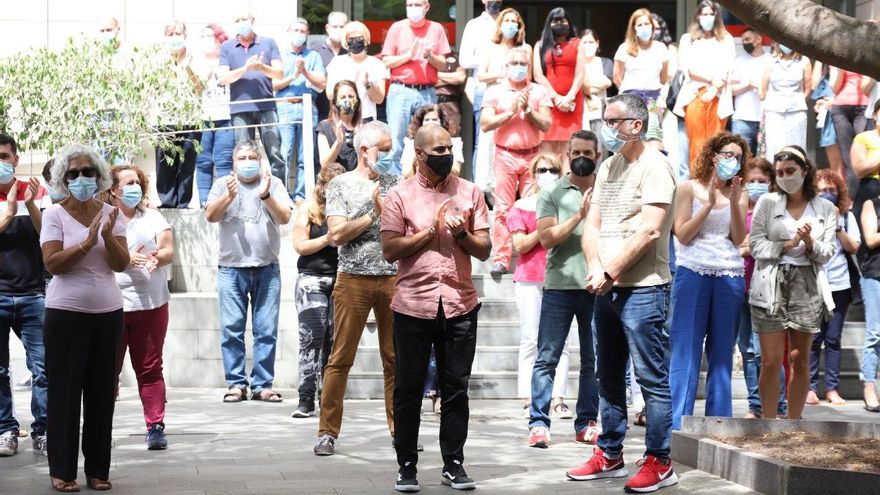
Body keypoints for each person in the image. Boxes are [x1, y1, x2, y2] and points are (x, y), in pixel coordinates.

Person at [573, 93, 679, 493]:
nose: (606, 128)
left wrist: (610, 270)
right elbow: (592, 224)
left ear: (636, 125)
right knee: (609, 375)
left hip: (644, 289)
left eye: (613, 121)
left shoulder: (656, 166)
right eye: (604, 120)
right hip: (607, 288)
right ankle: (610, 453)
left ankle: (660, 461)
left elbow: (650, 229)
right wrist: (594, 267)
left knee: (651, 379)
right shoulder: (608, 166)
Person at [380, 123, 490, 492]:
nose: (445, 156)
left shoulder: (470, 192)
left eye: (449, 149)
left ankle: (453, 463)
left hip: (460, 304)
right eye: (438, 151)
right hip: (413, 305)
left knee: (456, 388)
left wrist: (461, 234)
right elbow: (390, 250)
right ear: (419, 154)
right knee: (408, 388)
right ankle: (406, 465)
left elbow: (485, 249)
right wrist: (430, 232)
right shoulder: (399, 195)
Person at [40, 144, 130, 492]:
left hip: (108, 314)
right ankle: (62, 471)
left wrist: (106, 237)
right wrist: (85, 244)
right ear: (63, 179)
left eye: (87, 171)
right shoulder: (54, 214)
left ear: (99, 176)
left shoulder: (112, 213)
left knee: (102, 394)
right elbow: (52, 264)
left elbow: (121, 264)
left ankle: (97, 469)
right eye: (73, 173)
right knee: (64, 394)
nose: (81, 178)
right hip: (65, 315)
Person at [314, 121, 401, 456]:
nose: (390, 154)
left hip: (393, 278)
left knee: (395, 359)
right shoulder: (341, 184)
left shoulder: (398, 183)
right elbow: (336, 234)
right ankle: (327, 432)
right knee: (340, 358)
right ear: (365, 150)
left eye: (392, 148)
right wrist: (373, 216)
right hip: (353, 279)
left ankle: (400, 430)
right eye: (385, 149)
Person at [749, 145, 837, 420]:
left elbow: (828, 252)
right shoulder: (767, 203)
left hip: (806, 283)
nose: (785, 177)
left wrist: (809, 242)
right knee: (770, 360)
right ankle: (769, 423)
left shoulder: (826, 208)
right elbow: (755, 245)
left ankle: (794, 424)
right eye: (780, 173)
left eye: (790, 171)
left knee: (799, 358)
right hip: (770, 281)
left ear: (804, 170)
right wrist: (787, 244)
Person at [669, 132, 749, 430]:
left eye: (738, 157)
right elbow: (682, 234)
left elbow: (738, 238)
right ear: (713, 156)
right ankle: (677, 425)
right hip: (693, 271)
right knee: (686, 350)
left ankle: (719, 426)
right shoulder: (688, 188)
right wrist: (708, 204)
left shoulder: (740, 193)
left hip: (729, 274)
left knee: (722, 353)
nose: (733, 161)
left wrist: (735, 202)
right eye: (728, 155)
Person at [527, 131, 601, 449]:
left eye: (588, 152)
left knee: (593, 361)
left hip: (597, 286)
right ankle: (538, 423)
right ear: (567, 156)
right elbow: (546, 238)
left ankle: (586, 423)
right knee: (547, 358)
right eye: (576, 152)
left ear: (598, 156)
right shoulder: (552, 193)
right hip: (560, 286)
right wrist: (579, 216)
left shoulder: (606, 190)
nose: (582, 157)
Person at [205, 140, 292, 404]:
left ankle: (263, 385)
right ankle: (236, 384)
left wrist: (266, 196)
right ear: (233, 163)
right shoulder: (223, 184)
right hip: (231, 269)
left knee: (266, 330)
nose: (247, 162)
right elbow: (210, 215)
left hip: (267, 269)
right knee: (231, 329)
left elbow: (285, 217)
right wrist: (229, 196)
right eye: (241, 158)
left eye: (252, 157)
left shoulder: (273, 183)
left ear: (260, 160)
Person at [106, 165, 174, 449]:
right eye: (129, 182)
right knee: (106, 370)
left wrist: (158, 257)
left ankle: (155, 426)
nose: (135, 186)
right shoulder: (104, 218)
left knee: (150, 368)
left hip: (150, 303)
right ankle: (101, 427)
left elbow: (168, 250)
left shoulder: (153, 217)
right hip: (111, 305)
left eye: (138, 182)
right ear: (114, 190)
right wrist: (125, 257)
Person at [480, 46, 552, 276]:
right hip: (505, 154)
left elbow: (546, 124)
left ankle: (530, 257)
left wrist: (528, 110)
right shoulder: (495, 91)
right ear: (506, 66)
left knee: (533, 207)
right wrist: (511, 112)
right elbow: (485, 124)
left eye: (523, 64)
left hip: (533, 156)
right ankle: (501, 258)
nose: (519, 68)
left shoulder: (539, 91)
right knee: (503, 208)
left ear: (529, 67)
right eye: (514, 63)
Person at [508, 153, 568, 419]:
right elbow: (520, 245)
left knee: (560, 342)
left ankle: (558, 398)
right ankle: (528, 397)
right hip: (529, 278)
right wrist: (545, 228)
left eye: (552, 169)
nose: (547, 174)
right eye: (542, 169)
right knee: (531, 338)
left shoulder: (567, 205)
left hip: (561, 277)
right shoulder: (521, 206)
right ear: (533, 174)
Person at [0, 134, 48, 457]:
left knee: (44, 369)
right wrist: (8, 213)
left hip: (33, 295)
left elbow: (49, 235)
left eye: (4, 156)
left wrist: (29, 204)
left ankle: (43, 430)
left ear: (16, 159)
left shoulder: (37, 192)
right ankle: (6, 430)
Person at [291, 163, 345, 419]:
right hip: (312, 279)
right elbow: (300, 246)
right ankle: (305, 397)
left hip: (342, 279)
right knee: (311, 338)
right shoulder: (308, 210)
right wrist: (327, 239)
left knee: (334, 342)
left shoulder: (348, 209)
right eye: (327, 185)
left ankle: (328, 398)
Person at [738, 157, 788, 418]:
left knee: (766, 354)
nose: (756, 185)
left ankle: (778, 406)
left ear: (771, 183)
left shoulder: (775, 211)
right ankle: (755, 406)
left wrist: (747, 246)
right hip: (739, 288)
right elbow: (733, 244)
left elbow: (774, 246)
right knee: (747, 351)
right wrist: (750, 245)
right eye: (751, 180)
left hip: (767, 288)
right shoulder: (737, 210)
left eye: (762, 180)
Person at [806, 169, 860, 406]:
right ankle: (809, 388)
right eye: (822, 190)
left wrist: (838, 226)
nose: (827, 194)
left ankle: (832, 389)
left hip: (840, 284)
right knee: (813, 338)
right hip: (815, 283)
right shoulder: (808, 213)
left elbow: (854, 247)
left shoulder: (846, 216)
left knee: (833, 338)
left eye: (832, 190)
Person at [381, 0, 452, 173]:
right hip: (400, 90)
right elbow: (386, 61)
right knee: (395, 141)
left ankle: (427, 180)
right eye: (410, 5)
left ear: (426, 7)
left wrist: (430, 56)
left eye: (417, 5)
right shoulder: (397, 28)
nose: (413, 8)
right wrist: (408, 56)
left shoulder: (436, 28)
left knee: (429, 140)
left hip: (426, 91)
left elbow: (443, 64)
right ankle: (394, 184)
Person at [217, 9, 286, 186]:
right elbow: (223, 78)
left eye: (244, 19)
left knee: (275, 153)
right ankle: (244, 194)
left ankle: (280, 193)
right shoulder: (227, 46)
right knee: (243, 157)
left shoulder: (268, 42)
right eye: (237, 20)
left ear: (252, 20)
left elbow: (279, 73)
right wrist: (245, 69)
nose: (242, 23)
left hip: (266, 107)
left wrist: (262, 68)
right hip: (240, 109)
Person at [673, 1, 736, 170]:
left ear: (717, 16)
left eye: (711, 14)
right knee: (697, 145)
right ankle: (697, 181)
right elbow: (687, 68)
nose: (708, 17)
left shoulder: (726, 39)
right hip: (694, 95)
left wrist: (715, 88)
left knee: (717, 144)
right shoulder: (688, 39)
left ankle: (716, 181)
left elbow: (729, 68)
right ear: (698, 17)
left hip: (719, 95)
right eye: (704, 14)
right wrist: (710, 80)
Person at [475, 7, 530, 194]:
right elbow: (481, 75)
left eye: (514, 21)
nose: (510, 25)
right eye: (506, 21)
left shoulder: (524, 49)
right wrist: (502, 74)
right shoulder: (490, 47)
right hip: (495, 99)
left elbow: (529, 78)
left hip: (518, 100)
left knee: (515, 141)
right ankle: (489, 191)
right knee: (489, 145)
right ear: (499, 25)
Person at [274, 18, 327, 204]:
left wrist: (305, 72)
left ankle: (301, 197)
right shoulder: (279, 56)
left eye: (303, 31)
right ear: (289, 32)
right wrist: (294, 76)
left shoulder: (313, 56)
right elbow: (272, 85)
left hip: (307, 107)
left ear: (307, 34)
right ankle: (282, 196)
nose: (299, 34)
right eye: (295, 30)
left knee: (306, 155)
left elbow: (322, 83)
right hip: (285, 107)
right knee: (284, 153)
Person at [155, 20, 203, 209]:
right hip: (164, 119)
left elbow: (200, 87)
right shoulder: (158, 60)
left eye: (178, 33)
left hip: (191, 119)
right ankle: (167, 203)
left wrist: (187, 67)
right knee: (165, 163)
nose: (175, 37)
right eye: (171, 34)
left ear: (185, 35)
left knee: (187, 162)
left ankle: (183, 203)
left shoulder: (195, 57)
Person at [460, 0, 503, 191]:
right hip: (483, 88)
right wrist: (492, 59)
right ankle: (479, 191)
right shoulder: (474, 25)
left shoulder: (509, 21)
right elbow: (464, 59)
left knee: (505, 141)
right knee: (483, 141)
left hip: (508, 88)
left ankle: (498, 190)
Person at [533, 7, 584, 160]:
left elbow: (580, 74)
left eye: (563, 20)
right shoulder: (540, 45)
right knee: (547, 147)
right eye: (555, 21)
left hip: (572, 102)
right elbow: (538, 75)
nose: (559, 24)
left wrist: (569, 97)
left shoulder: (578, 44)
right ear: (549, 24)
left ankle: (567, 176)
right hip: (548, 102)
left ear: (569, 23)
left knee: (569, 148)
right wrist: (556, 97)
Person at [194, 24, 235, 208]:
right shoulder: (196, 61)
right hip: (203, 118)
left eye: (209, 36)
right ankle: (204, 201)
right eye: (203, 36)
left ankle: (224, 200)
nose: (206, 40)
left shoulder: (228, 61)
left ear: (219, 38)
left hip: (225, 117)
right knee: (203, 161)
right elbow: (194, 88)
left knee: (224, 160)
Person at [325, 22, 390, 124]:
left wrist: (367, 84)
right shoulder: (337, 62)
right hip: (342, 119)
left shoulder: (377, 64)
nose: (355, 41)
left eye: (359, 38)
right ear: (345, 42)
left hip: (366, 118)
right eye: (351, 39)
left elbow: (379, 99)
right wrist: (347, 83)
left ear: (366, 40)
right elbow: (330, 95)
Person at [759, 43, 812, 160]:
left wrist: (796, 101)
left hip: (796, 111)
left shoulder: (804, 61)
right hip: (774, 111)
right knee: (774, 148)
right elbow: (763, 89)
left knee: (797, 149)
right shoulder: (770, 61)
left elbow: (808, 88)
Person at [613, 9, 669, 115]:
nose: (644, 27)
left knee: (654, 125)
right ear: (634, 28)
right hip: (630, 100)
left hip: (655, 99)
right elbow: (617, 77)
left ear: (652, 26)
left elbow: (664, 78)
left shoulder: (661, 48)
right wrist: (628, 94)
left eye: (646, 24)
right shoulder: (624, 48)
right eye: (640, 25)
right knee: (632, 125)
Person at [828, 65, 869, 194]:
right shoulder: (837, 60)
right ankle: (854, 196)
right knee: (847, 156)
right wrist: (840, 69)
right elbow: (834, 88)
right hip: (840, 108)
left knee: (864, 153)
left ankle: (868, 195)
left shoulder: (864, 58)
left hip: (863, 107)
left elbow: (866, 87)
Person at [730, 27, 769, 156]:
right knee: (741, 159)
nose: (745, 43)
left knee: (764, 160)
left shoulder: (771, 60)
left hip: (766, 117)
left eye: (747, 39)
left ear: (759, 39)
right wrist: (748, 85)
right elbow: (731, 90)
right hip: (742, 119)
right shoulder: (739, 61)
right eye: (743, 41)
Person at [859, 189, 880, 412]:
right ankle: (869, 385)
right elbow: (871, 239)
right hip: (875, 274)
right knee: (875, 333)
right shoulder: (872, 204)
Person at [401, 104, 463, 178]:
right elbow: (406, 174)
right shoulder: (410, 143)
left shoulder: (453, 142)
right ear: (421, 123)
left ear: (441, 122)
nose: (430, 122)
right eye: (427, 120)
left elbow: (456, 172)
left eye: (434, 119)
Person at [310, 11, 349, 122]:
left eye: (342, 27)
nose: (338, 30)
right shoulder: (315, 51)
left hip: (347, 112)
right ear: (327, 28)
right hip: (321, 111)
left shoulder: (352, 52)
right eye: (335, 26)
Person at [579, 29, 614, 153]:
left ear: (597, 43)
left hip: (600, 113)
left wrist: (585, 85)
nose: (588, 46)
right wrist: (592, 86)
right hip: (580, 113)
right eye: (584, 42)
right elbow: (575, 84)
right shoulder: (576, 64)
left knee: (600, 150)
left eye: (591, 42)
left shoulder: (605, 62)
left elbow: (607, 82)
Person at [317, 80, 362, 172]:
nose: (347, 100)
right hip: (335, 178)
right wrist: (338, 142)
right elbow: (325, 165)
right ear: (336, 102)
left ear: (357, 100)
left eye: (351, 96)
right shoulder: (325, 126)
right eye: (342, 97)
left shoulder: (364, 127)